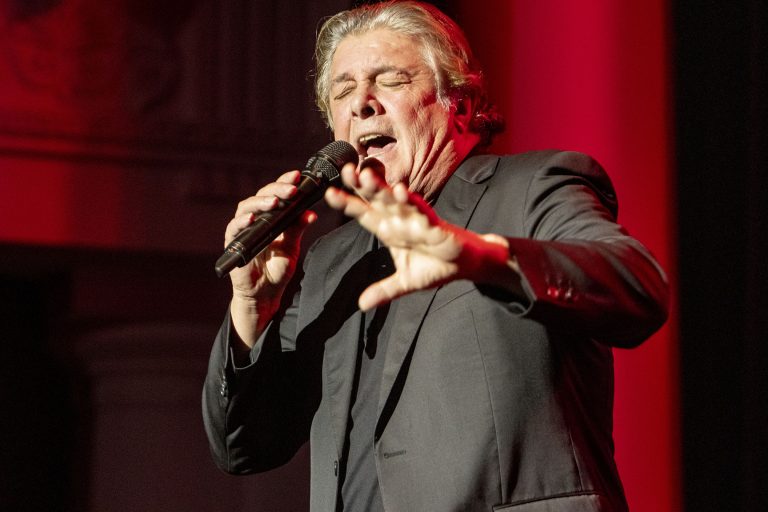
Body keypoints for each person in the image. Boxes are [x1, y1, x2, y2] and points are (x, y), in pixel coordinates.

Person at [202, 2, 668, 511]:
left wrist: (480, 258)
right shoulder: (332, 261)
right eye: (342, 90)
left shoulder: (532, 187)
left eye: (390, 80)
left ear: (460, 104)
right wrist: (253, 306)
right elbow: (243, 447)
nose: (361, 104)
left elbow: (637, 286)